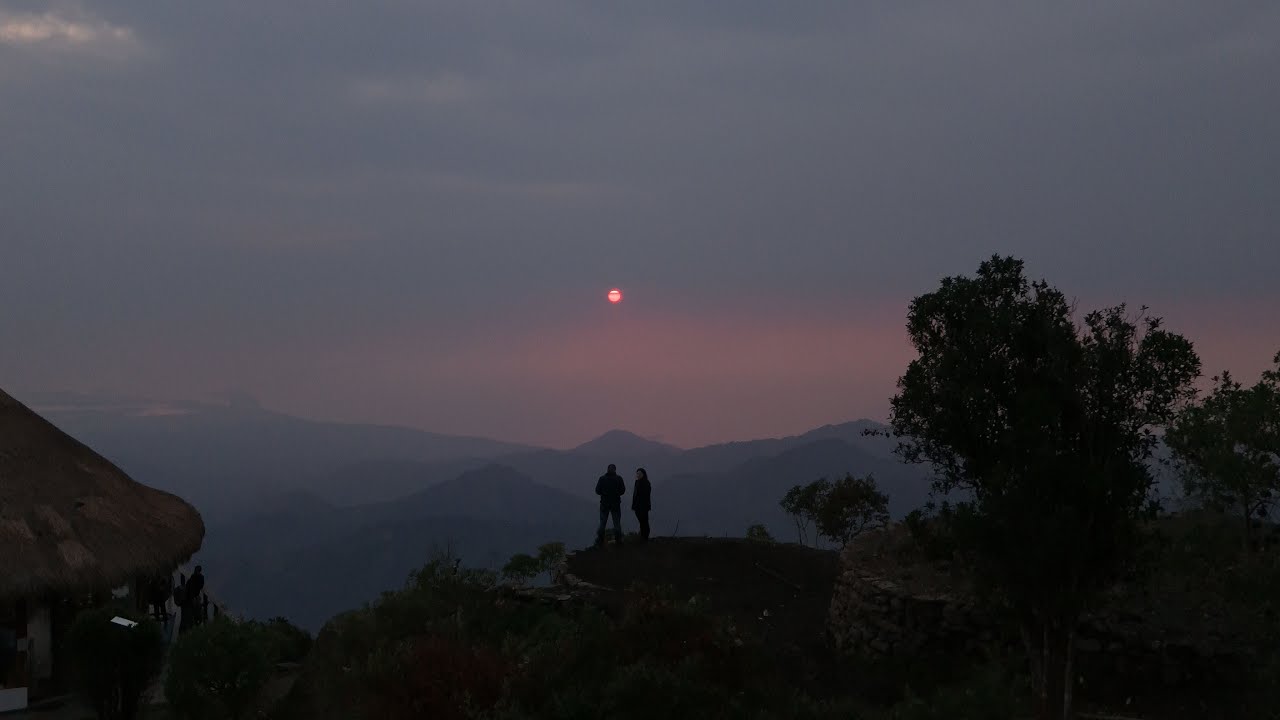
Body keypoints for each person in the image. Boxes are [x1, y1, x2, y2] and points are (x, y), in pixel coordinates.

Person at [595, 463, 626, 546]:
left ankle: (600, 541)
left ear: (607, 469)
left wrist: (604, 494)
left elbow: (597, 491)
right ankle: (618, 541)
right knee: (617, 523)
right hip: (615, 504)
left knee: (602, 523)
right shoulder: (619, 479)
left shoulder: (602, 479)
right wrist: (616, 494)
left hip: (604, 504)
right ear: (615, 470)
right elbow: (623, 490)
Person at [632, 467, 652, 542]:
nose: (638, 475)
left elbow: (646, 495)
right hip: (637, 506)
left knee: (644, 521)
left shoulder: (646, 483)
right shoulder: (637, 482)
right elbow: (635, 495)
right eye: (637, 473)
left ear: (643, 474)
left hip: (643, 506)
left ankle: (645, 536)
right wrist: (634, 505)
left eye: (640, 474)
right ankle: (643, 536)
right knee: (641, 521)